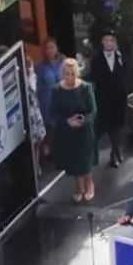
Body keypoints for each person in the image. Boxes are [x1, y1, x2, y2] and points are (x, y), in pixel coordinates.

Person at [48, 56, 96, 203]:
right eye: (67, 74)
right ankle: (78, 187)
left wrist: (82, 120)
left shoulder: (86, 88)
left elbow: (92, 111)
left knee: (85, 160)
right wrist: (67, 121)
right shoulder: (57, 90)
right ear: (63, 74)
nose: (70, 77)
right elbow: (53, 113)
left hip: (84, 131)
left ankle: (89, 184)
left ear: (77, 73)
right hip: (67, 132)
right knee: (74, 161)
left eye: (73, 74)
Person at [90, 29, 129, 167]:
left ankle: (115, 152)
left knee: (118, 126)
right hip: (104, 99)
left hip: (119, 98)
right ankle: (115, 153)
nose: (109, 43)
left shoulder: (120, 56)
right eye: (106, 40)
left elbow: (125, 74)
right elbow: (94, 78)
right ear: (102, 42)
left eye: (111, 40)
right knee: (110, 126)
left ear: (115, 42)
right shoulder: (96, 59)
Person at [34, 36, 64, 132]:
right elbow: (37, 89)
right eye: (47, 48)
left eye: (52, 47)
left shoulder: (64, 63)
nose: (50, 50)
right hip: (48, 105)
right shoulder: (39, 67)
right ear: (44, 50)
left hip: (64, 103)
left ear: (57, 48)